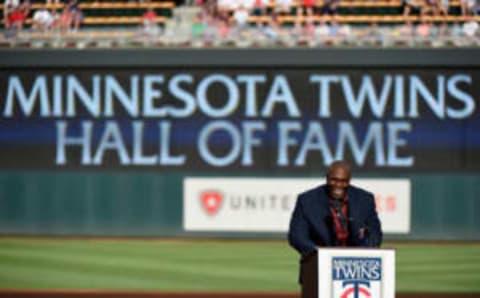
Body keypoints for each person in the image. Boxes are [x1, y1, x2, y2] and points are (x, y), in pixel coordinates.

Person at [288, 160, 382, 295]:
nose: (338, 185)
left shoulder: (365, 199)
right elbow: (296, 236)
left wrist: (365, 252)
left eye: (343, 181)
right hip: (318, 271)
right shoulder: (307, 200)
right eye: (334, 180)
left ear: (349, 181)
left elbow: (375, 233)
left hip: (356, 271)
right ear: (327, 178)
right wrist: (321, 254)